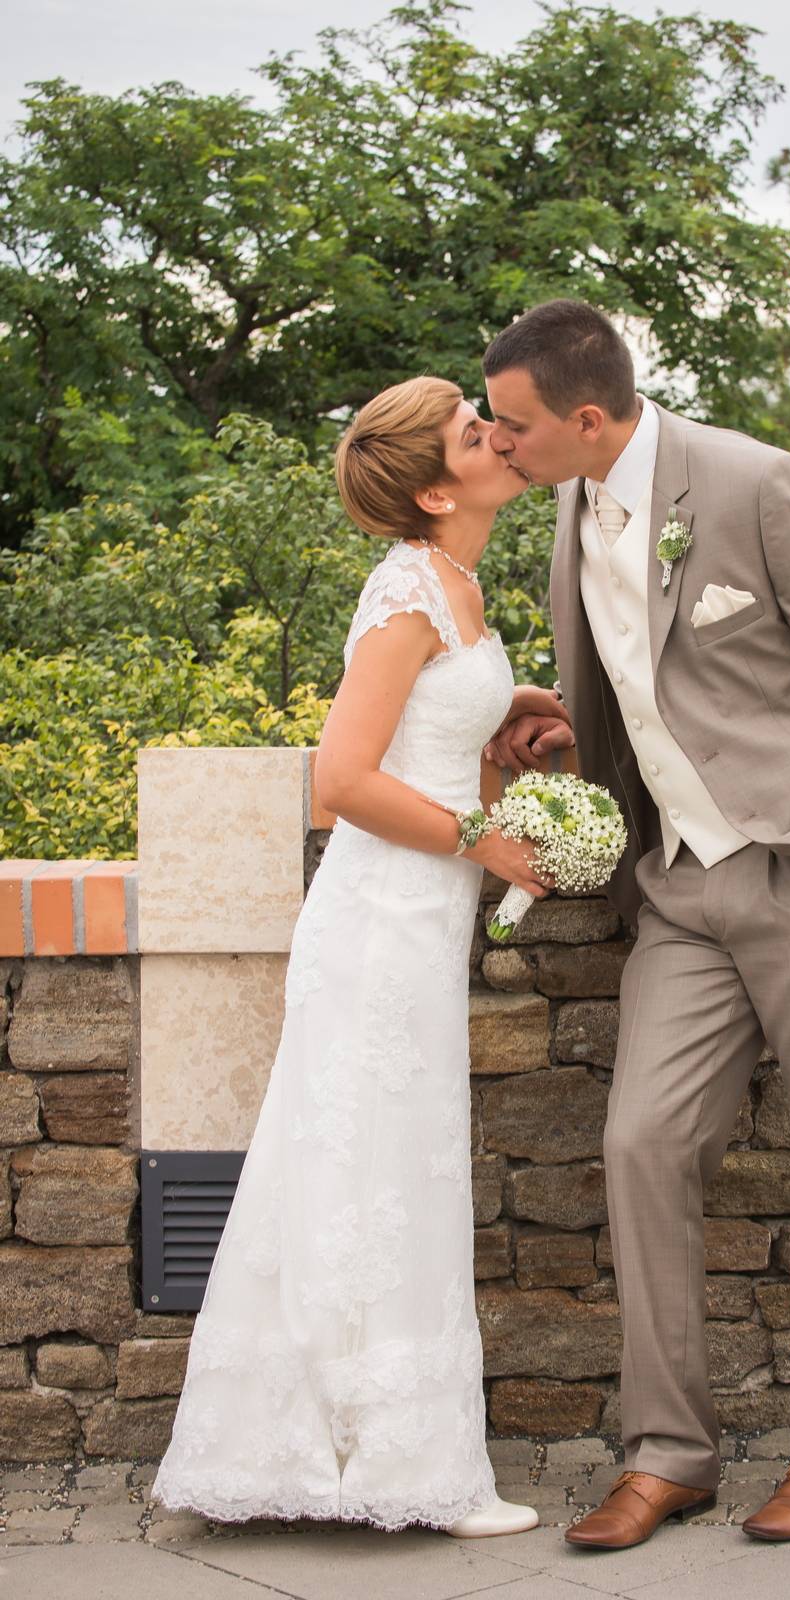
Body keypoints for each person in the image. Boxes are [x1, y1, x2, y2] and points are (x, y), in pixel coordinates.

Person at [483, 300, 790, 1549]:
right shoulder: (574, 506)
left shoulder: (756, 483)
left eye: (512, 425)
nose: (497, 443)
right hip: (678, 885)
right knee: (642, 1144)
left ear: (586, 417)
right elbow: (646, 682)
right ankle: (670, 1453)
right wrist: (561, 731)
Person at [151, 375, 562, 1537]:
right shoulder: (405, 591)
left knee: (393, 1173)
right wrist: (487, 841)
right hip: (378, 922)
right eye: (474, 432)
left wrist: (513, 728)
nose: (498, 436)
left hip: (419, 923)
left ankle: (364, 1452)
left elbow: (433, 744)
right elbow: (339, 783)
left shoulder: (459, 585)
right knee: (371, 1173)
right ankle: (388, 1465)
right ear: (435, 490)